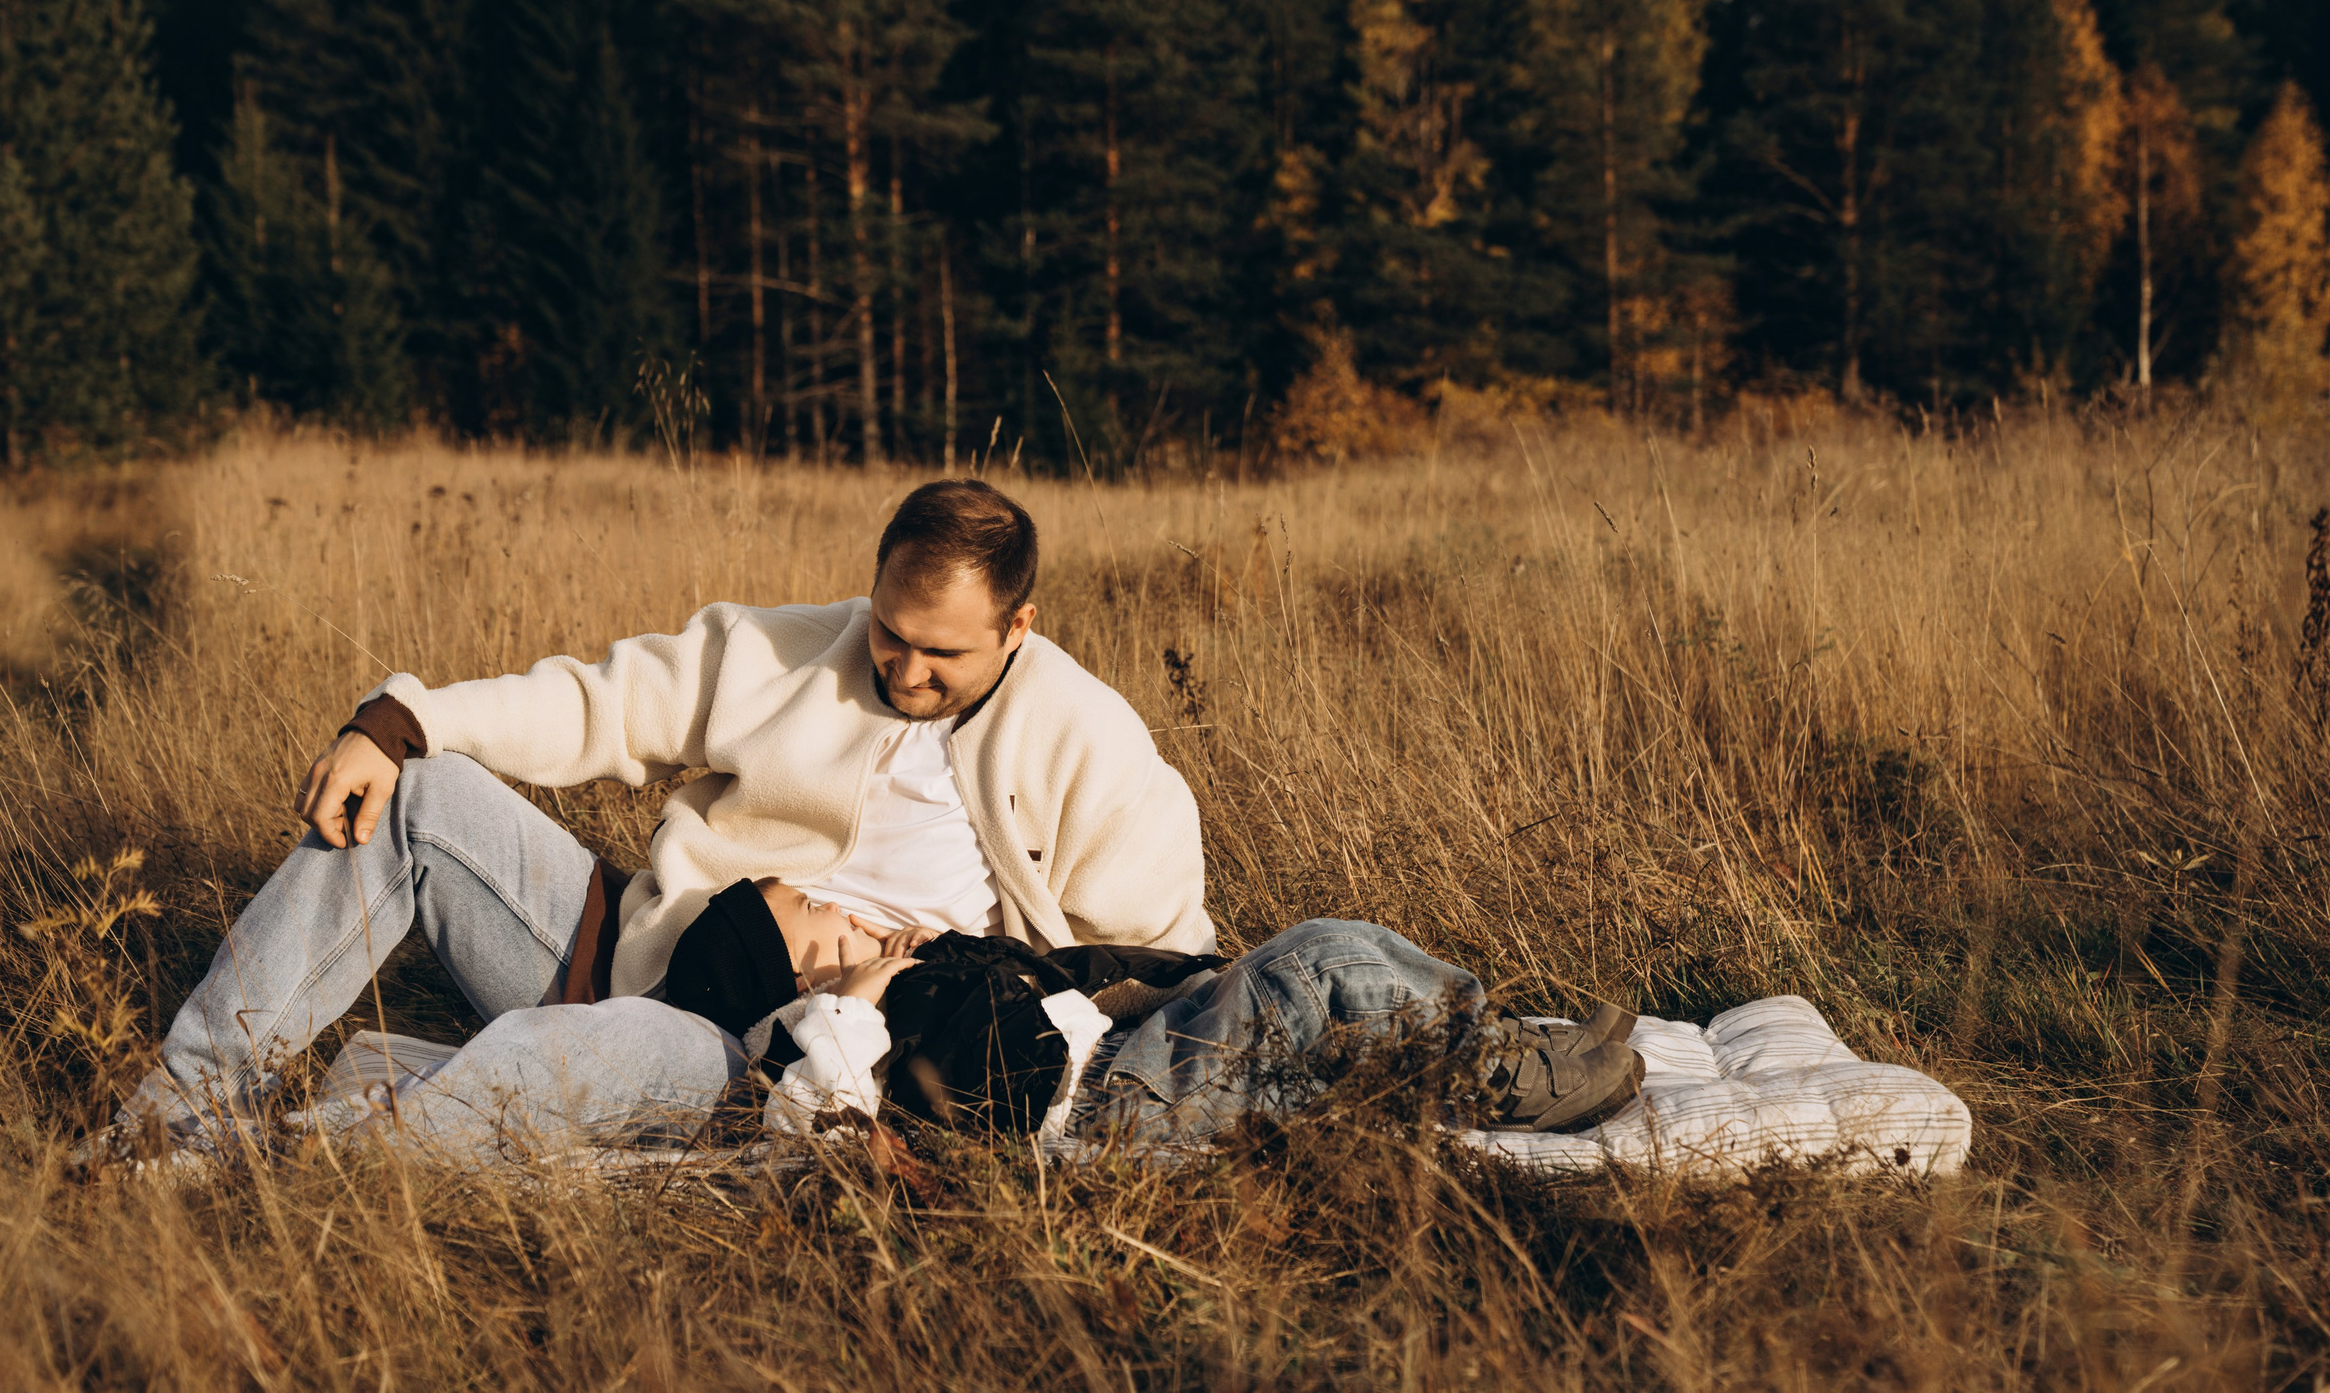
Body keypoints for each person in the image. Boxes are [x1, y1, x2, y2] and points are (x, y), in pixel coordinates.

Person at [100, 479, 1214, 1156]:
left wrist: (953, 1007)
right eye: (889, 630)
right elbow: (599, 702)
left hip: (770, 1053)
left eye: (942, 651)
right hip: (646, 953)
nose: (904, 668)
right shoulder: (784, 652)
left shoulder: (1090, 743)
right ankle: (172, 1117)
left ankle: (324, 1138)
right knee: (419, 792)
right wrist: (399, 721)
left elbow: (1162, 958)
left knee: (607, 1053)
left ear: (1018, 626)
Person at [659, 878, 1649, 1149]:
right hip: (1113, 1106)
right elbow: (809, 1120)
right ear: (787, 967)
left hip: (1139, 1054)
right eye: (812, 911)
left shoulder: (922, 966)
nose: (842, 910)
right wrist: (850, 1004)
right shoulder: (807, 1036)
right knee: (1325, 958)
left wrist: (1206, 977)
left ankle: (1484, 1046)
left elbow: (1075, 975)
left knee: (1319, 976)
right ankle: (1498, 1070)